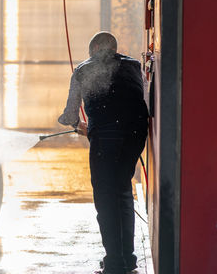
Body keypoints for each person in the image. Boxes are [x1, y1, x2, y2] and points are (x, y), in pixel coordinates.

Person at [58, 32, 148, 274]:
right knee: (123, 191)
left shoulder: (83, 69)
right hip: (135, 135)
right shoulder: (134, 65)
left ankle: (115, 264)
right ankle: (127, 260)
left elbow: (70, 116)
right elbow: (137, 99)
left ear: (96, 48)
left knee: (106, 199)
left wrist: (77, 125)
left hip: (106, 138)